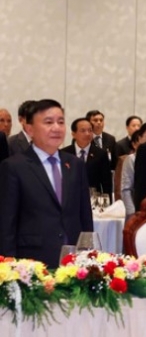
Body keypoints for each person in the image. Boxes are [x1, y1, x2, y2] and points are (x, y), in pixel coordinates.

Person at [0, 99, 93, 267]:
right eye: (48, 122)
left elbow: (85, 215)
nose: (56, 128)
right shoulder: (14, 166)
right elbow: (7, 222)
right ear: (30, 129)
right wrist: (9, 265)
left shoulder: (75, 165)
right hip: (31, 263)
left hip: (73, 263)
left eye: (61, 122)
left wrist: (88, 254)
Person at [61, 118, 113, 197]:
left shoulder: (101, 154)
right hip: (69, 198)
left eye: (90, 130)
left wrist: (107, 203)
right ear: (73, 134)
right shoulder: (64, 153)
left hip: (93, 199)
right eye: (83, 131)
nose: (87, 134)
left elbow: (106, 183)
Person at [120, 122, 146, 219]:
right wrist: (132, 212)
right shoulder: (131, 159)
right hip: (137, 211)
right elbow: (126, 189)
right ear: (140, 138)